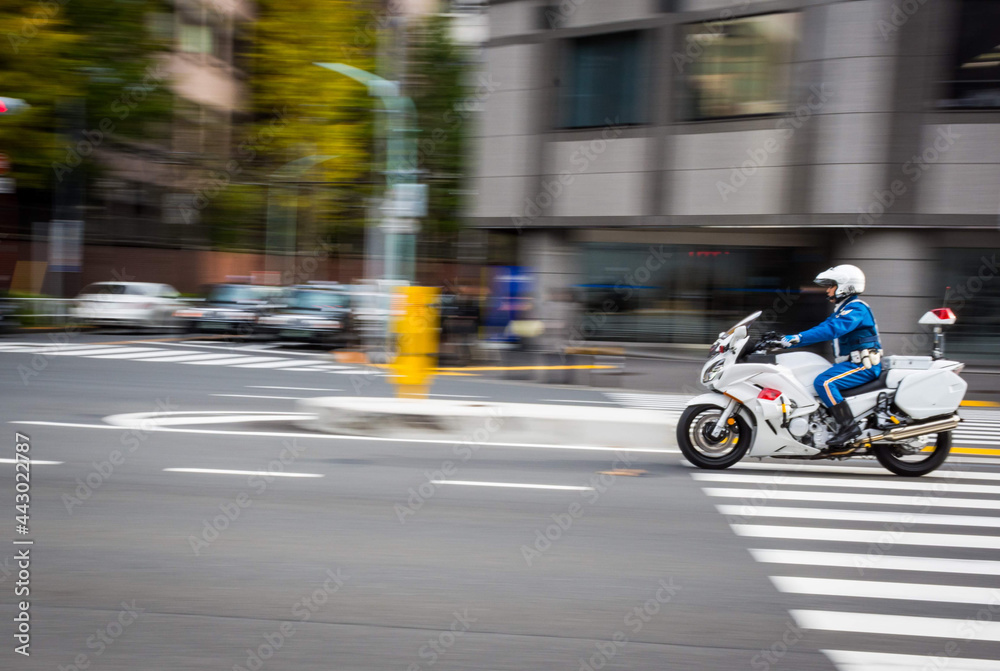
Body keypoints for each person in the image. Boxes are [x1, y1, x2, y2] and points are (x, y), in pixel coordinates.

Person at [778, 265, 882, 447]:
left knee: (824, 382)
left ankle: (848, 427)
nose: (828, 290)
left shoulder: (857, 309)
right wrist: (785, 340)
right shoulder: (842, 310)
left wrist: (797, 338)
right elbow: (821, 328)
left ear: (844, 286)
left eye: (831, 285)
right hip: (852, 364)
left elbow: (833, 329)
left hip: (863, 366)